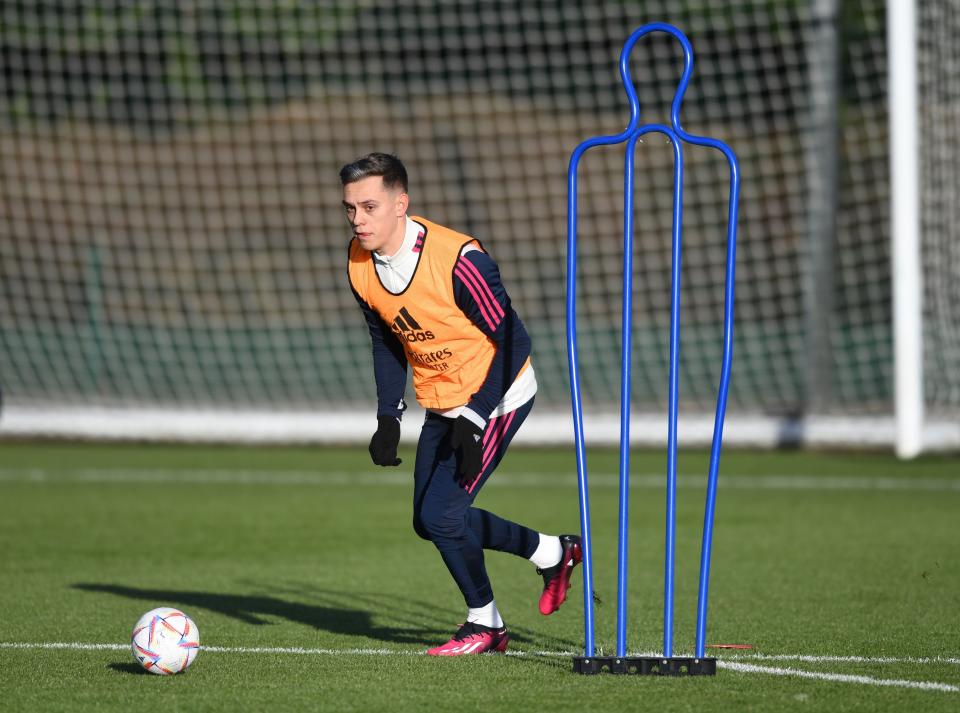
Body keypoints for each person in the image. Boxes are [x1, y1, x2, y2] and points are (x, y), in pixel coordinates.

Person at [342, 152, 581, 656]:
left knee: (445, 517)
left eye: (369, 206)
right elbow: (386, 341)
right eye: (350, 209)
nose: (358, 220)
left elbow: (514, 338)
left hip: (497, 396)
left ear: (401, 203)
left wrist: (475, 418)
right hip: (443, 401)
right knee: (428, 521)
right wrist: (389, 415)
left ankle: (485, 624)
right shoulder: (359, 263)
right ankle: (553, 552)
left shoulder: (459, 259)